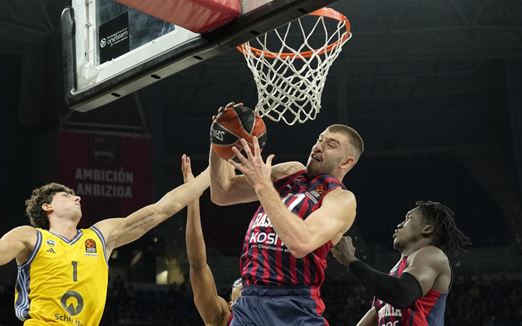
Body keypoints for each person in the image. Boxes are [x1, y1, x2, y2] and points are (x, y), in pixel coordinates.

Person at [0, 155, 209, 326]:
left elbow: (161, 210)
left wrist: (213, 168)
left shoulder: (101, 235)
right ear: (47, 206)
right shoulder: (30, 237)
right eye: (68, 195)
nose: (77, 196)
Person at [210, 103, 364, 325]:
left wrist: (263, 186)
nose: (319, 146)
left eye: (331, 145)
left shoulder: (340, 199)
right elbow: (222, 193)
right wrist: (220, 140)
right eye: (319, 139)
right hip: (249, 300)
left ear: (347, 161)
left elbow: (300, 243)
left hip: (293, 306)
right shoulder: (291, 172)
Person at [331, 201, 471, 326]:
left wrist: (350, 260)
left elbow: (403, 294)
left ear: (427, 229)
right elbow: (378, 312)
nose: (399, 225)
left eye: (408, 218)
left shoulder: (433, 255)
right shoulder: (394, 276)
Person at [182, 154, 240, 326]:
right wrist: (192, 199)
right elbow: (198, 265)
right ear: (230, 304)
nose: (246, 287)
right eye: (241, 285)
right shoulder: (222, 317)